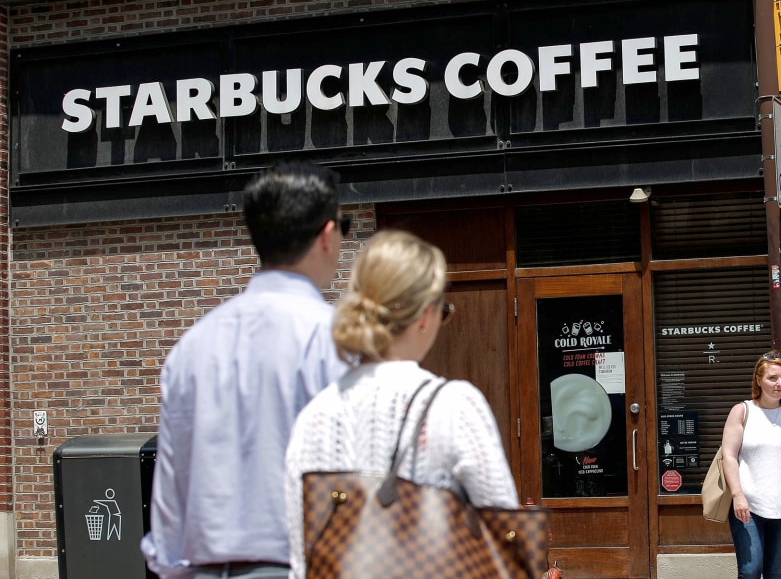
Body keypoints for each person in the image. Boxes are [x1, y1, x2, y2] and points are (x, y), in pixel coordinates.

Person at [141, 162, 350, 578]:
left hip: (200, 569)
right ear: (327, 234)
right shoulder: (335, 341)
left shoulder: (191, 347)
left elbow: (170, 491)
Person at [284, 230, 518, 576]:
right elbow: (507, 540)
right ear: (425, 315)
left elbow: (302, 563)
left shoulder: (312, 418)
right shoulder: (454, 407)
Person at [720, 351, 781, 579]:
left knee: (775, 573)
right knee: (750, 570)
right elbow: (729, 456)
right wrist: (737, 495)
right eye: (772, 378)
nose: (779, 384)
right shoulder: (742, 411)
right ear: (759, 379)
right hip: (748, 505)